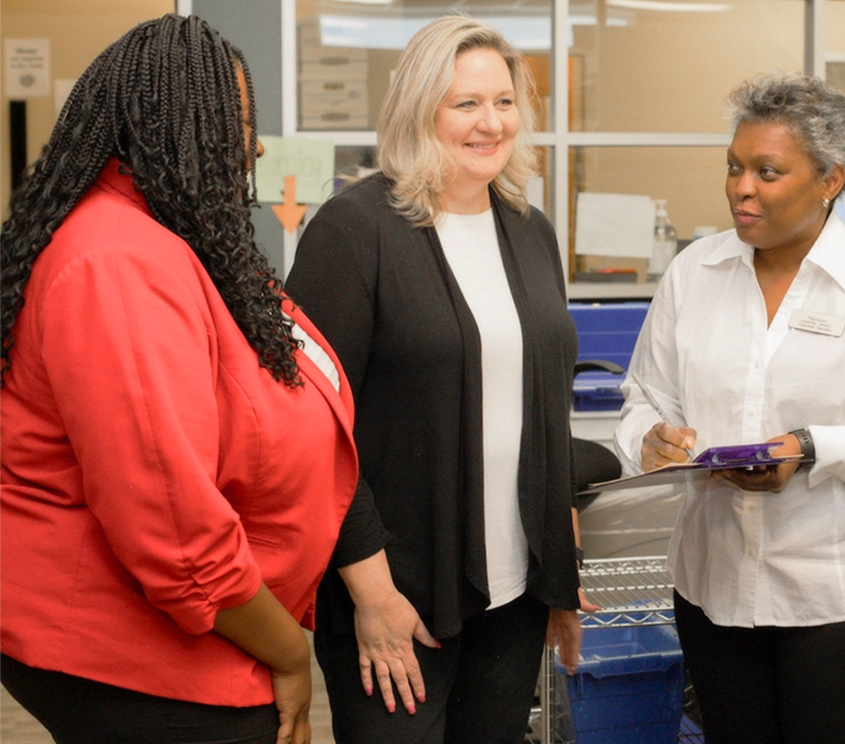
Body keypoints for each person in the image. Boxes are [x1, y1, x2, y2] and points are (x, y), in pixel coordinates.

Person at [0, 15, 358, 744]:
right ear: (179, 128)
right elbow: (172, 527)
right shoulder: (116, 263)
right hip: (138, 648)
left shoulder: (176, 237)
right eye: (240, 125)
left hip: (206, 626)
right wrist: (290, 655)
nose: (255, 147)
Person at [614, 71, 845, 744]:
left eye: (767, 172)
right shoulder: (695, 274)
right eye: (734, 167)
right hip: (713, 596)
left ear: (828, 180)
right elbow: (646, 396)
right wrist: (649, 438)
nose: (741, 188)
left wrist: (813, 449)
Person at [284, 15, 595, 744]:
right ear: (421, 110)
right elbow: (309, 427)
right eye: (466, 104)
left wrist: (559, 572)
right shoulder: (353, 231)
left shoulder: (528, 228)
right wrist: (370, 593)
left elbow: (542, 411)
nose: (491, 123)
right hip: (398, 594)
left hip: (514, 596)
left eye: (504, 101)